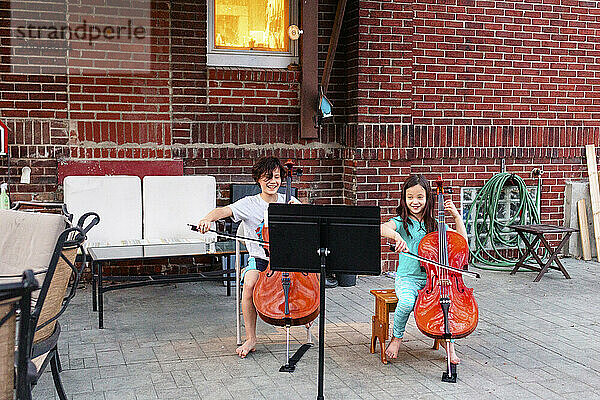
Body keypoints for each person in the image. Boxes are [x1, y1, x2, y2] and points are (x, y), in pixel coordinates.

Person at [197, 156, 299, 358]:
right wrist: (207, 219)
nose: (273, 182)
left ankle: (306, 315)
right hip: (261, 258)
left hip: (287, 259)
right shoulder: (249, 204)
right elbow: (223, 210)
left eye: (277, 177)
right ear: (258, 180)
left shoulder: (290, 201)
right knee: (250, 284)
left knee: (311, 278)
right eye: (267, 177)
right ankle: (251, 338)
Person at [380, 174, 468, 364]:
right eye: (410, 197)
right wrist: (397, 237)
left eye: (420, 197)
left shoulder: (435, 224)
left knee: (445, 305)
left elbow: (462, 242)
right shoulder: (401, 222)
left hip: (433, 280)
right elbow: (382, 228)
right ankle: (397, 338)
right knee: (406, 303)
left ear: (428, 198)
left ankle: (448, 345)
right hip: (408, 278)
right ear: (404, 198)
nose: (415, 201)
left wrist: (457, 217)